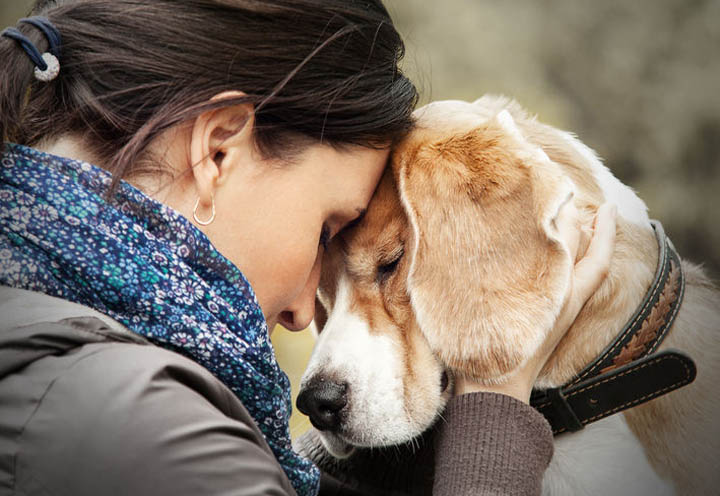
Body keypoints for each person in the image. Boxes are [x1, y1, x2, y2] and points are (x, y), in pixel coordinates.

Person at [0, 1, 616, 495]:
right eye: (325, 231)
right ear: (217, 151)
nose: (302, 314)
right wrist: (495, 408)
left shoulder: (48, 343)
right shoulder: (143, 428)